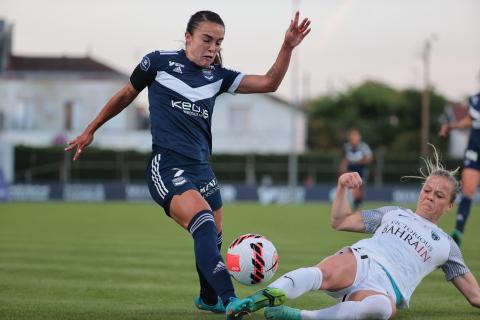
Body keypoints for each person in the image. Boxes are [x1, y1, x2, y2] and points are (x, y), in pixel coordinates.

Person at [65, 10, 311, 320]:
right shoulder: (157, 62)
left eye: (219, 42)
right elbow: (126, 94)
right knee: (204, 223)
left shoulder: (218, 76)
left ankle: (208, 298)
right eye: (207, 40)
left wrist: (287, 46)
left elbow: (270, 82)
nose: (213, 48)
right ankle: (230, 299)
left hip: (202, 169)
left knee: (213, 238)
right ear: (188, 37)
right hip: (167, 166)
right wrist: (90, 130)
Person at [228, 147, 480, 319]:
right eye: (427, 190)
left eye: (439, 195)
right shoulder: (394, 213)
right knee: (324, 273)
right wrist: (341, 188)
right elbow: (341, 221)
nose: (429, 197)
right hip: (362, 260)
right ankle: (260, 298)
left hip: (387, 289)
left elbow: (474, 295)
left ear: (449, 205)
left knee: (382, 309)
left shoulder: (447, 246)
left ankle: (298, 316)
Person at [439, 92, 480, 246]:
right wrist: (452, 126)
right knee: (468, 190)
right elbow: (470, 119)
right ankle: (458, 232)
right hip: (475, 150)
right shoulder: (476, 99)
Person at [338, 129, 373, 210]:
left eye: (355, 137)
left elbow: (369, 158)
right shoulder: (347, 146)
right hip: (351, 169)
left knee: (361, 187)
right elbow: (345, 158)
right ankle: (355, 203)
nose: (353, 139)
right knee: (354, 186)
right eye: (352, 137)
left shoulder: (364, 147)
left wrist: (359, 161)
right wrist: (342, 167)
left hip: (361, 169)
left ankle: (359, 202)